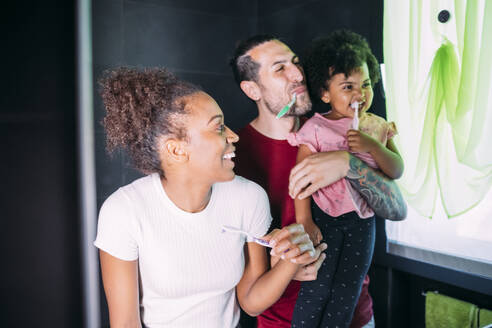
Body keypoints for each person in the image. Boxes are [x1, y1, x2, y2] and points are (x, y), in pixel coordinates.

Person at [93, 67, 325, 328]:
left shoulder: (248, 197)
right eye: (219, 128)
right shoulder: (124, 211)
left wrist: (289, 261)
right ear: (176, 150)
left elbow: (250, 300)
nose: (233, 136)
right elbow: (125, 324)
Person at [230, 35, 407, 328]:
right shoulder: (235, 159)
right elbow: (250, 301)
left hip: (357, 318)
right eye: (280, 68)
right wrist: (286, 268)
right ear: (252, 89)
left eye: (296, 63)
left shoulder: (340, 130)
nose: (297, 75)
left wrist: (349, 165)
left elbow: (397, 208)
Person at [289, 30, 404, 328]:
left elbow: (396, 170)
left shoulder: (377, 127)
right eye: (348, 87)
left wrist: (373, 147)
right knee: (318, 288)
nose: (359, 95)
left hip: (363, 222)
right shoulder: (315, 128)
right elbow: (300, 179)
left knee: (347, 291)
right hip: (323, 218)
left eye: (365, 84)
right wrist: (305, 221)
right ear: (325, 93)